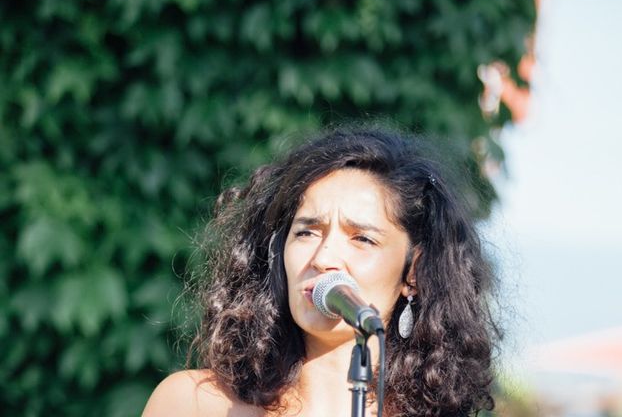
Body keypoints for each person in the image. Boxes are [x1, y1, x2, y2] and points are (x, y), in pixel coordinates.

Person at [143, 127, 500, 417]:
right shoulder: (192, 404)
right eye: (306, 232)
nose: (324, 256)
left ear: (414, 273)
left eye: (362, 238)